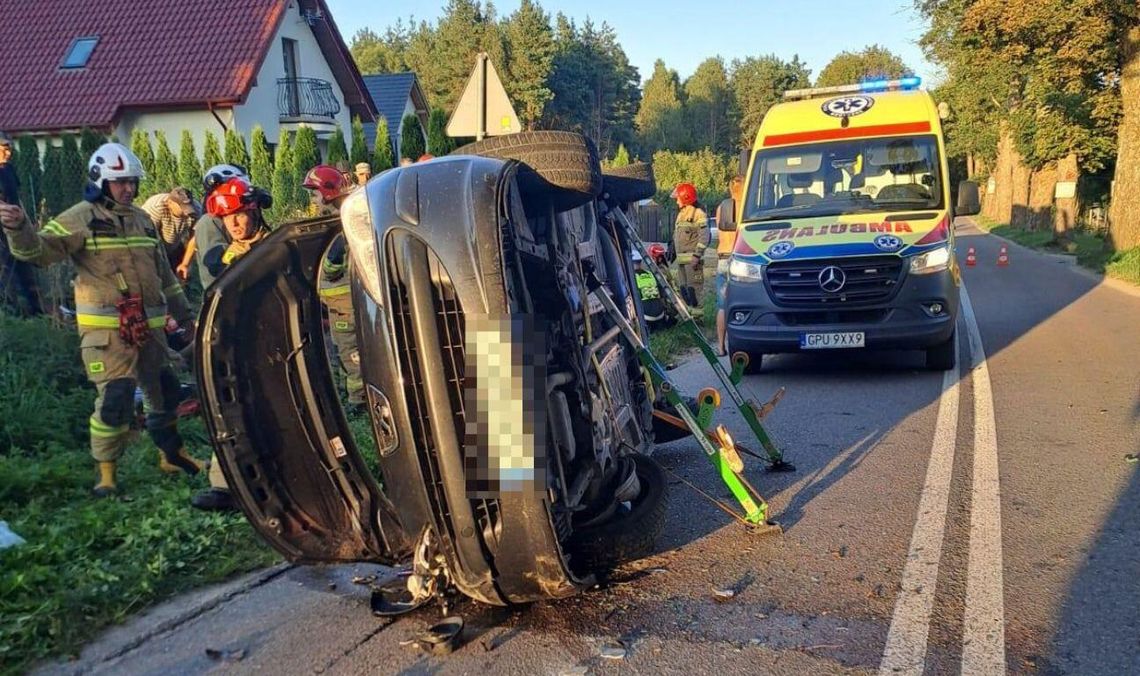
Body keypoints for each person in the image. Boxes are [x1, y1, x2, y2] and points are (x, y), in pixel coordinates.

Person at [0, 142, 203, 496]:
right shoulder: (79, 217)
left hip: (151, 333)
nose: (128, 188)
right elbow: (38, 252)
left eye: (131, 182)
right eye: (119, 182)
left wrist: (185, 316)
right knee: (116, 398)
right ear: (100, 182)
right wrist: (19, 228)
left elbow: (164, 275)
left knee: (167, 394)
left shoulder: (141, 219)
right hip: (107, 337)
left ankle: (173, 455)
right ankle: (106, 474)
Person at [192, 176, 273, 512]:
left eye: (240, 215)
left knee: (272, 409)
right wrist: (230, 256)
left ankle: (278, 480)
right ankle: (225, 486)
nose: (235, 224)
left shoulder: (274, 245)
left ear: (254, 211)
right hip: (234, 342)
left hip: (271, 343)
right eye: (228, 219)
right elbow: (212, 261)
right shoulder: (225, 252)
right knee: (229, 406)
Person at [301, 165, 363, 410]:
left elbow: (331, 268)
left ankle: (358, 401)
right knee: (343, 351)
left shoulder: (341, 226)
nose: (314, 200)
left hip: (345, 308)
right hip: (342, 306)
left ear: (327, 192)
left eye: (315, 193)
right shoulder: (344, 218)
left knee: (350, 352)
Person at [0, 131, 44, 316]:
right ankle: (10, 314)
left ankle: (36, 313)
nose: (8, 153)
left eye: (9, 148)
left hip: (15, 229)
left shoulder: (8, 170)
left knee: (25, 267)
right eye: (3, 148)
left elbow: (16, 198)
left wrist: (27, 221)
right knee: (5, 275)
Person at [193, 164, 247, 288]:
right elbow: (215, 261)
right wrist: (234, 253)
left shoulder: (245, 218)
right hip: (223, 297)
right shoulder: (209, 221)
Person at [141, 187, 199, 281]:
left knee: (183, 277)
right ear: (170, 203)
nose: (186, 213)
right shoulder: (155, 207)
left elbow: (195, 237)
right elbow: (148, 239)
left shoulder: (195, 209)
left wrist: (185, 264)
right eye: (182, 208)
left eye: (188, 208)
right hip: (152, 246)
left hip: (175, 244)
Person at [714, 175, 744, 356]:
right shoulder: (747, 207)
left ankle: (720, 346)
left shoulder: (722, 208)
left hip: (722, 259)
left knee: (722, 305)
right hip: (739, 259)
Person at [670, 182, 709, 317]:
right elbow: (677, 235)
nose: (676, 202)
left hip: (693, 262)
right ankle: (689, 316)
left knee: (694, 291)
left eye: (678, 199)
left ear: (685, 198)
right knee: (684, 290)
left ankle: (698, 318)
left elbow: (704, 238)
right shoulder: (681, 214)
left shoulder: (698, 214)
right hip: (682, 261)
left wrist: (697, 256)